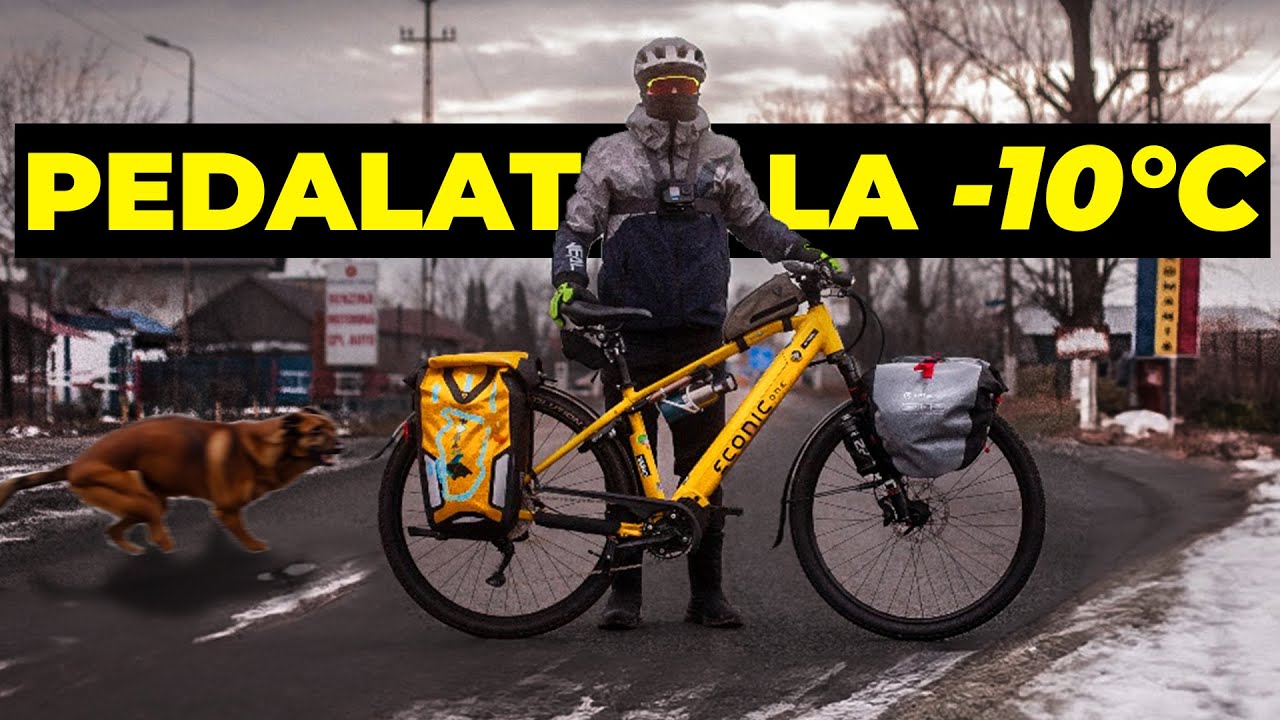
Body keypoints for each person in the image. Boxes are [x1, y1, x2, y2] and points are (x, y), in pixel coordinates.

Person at [548, 37, 841, 631]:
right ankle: (622, 596)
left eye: (685, 84)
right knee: (626, 469)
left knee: (704, 464)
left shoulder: (722, 155)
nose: (676, 95)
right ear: (643, 91)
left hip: (698, 338)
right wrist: (569, 281)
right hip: (631, 340)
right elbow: (576, 228)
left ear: (700, 88)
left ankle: (707, 595)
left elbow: (754, 222)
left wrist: (802, 252)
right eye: (663, 86)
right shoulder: (610, 156)